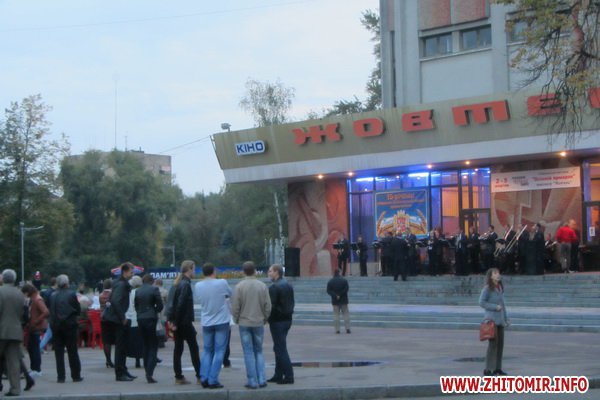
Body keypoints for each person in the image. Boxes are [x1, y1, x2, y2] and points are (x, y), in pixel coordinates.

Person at [231, 261, 271, 390]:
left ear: (243, 271)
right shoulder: (262, 286)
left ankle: (252, 380)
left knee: (248, 352)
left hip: (244, 322)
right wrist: (265, 318)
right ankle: (262, 379)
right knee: (258, 351)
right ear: (254, 271)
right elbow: (268, 305)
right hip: (258, 321)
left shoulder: (239, 286)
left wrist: (236, 318)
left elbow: (235, 306)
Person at [193, 262, 232, 389]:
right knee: (219, 350)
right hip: (221, 320)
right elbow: (230, 293)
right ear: (214, 271)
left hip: (207, 321)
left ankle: (204, 377)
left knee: (207, 350)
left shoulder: (198, 285)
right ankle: (213, 379)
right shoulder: (222, 282)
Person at [168, 260, 201, 385]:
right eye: (194, 269)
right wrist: (176, 323)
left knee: (178, 349)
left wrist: (172, 321)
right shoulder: (186, 285)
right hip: (184, 322)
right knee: (194, 348)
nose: (195, 271)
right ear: (189, 269)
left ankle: (178, 376)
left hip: (178, 321)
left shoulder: (177, 283)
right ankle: (199, 375)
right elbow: (181, 304)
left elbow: (172, 304)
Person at [102, 262, 136, 382]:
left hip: (115, 318)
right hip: (119, 319)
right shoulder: (121, 285)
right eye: (131, 272)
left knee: (122, 347)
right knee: (120, 347)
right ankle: (120, 373)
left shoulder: (118, 283)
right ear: (125, 272)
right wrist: (123, 317)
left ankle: (123, 370)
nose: (133, 274)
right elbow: (116, 301)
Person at [49, 274, 83, 383]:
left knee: (58, 352)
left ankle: (61, 376)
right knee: (72, 351)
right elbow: (77, 309)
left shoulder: (53, 295)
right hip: (69, 325)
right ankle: (76, 375)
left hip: (56, 325)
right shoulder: (71, 294)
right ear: (66, 283)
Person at [267, 264, 295, 385]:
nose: (268, 273)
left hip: (277, 321)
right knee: (278, 347)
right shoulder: (288, 285)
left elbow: (271, 306)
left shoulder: (274, 287)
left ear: (277, 272)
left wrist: (268, 318)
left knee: (280, 348)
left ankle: (289, 375)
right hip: (287, 319)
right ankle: (278, 374)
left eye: (270, 271)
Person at [478, 268, 510, 377]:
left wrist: (506, 318)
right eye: (495, 273)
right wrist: (494, 307)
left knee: (500, 344)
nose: (498, 275)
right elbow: (481, 302)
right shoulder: (487, 289)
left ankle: (497, 368)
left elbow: (503, 305)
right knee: (493, 345)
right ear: (490, 276)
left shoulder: (499, 287)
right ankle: (488, 369)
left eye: (498, 273)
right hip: (491, 320)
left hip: (500, 320)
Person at [0, 269, 26, 396]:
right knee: (13, 361)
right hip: (15, 330)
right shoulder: (19, 293)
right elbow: (23, 312)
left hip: (1, 330)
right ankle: (15, 388)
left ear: (3, 278)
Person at [135, 274, 163, 384]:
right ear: (152, 281)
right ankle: (149, 372)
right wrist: (154, 311)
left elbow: (136, 305)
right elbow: (160, 305)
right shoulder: (154, 289)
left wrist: (140, 313)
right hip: (151, 318)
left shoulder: (138, 291)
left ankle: (146, 368)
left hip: (140, 318)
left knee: (145, 344)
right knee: (153, 345)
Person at [21, 283, 49, 377]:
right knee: (31, 348)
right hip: (33, 327)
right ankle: (34, 368)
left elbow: (45, 312)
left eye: (25, 293)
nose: (25, 295)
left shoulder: (37, 299)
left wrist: (36, 320)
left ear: (28, 292)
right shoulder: (34, 299)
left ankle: (37, 369)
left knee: (35, 348)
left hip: (36, 327)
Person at [125, 275, 143, 369]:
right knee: (142, 340)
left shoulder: (130, 293)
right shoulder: (141, 292)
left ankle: (137, 359)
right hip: (140, 318)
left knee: (135, 341)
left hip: (132, 319)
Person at [326, 269, 350, 334]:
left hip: (335, 301)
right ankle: (347, 328)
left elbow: (328, 291)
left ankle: (337, 330)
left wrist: (335, 295)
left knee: (336, 315)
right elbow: (346, 289)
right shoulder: (344, 280)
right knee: (346, 314)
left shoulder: (330, 281)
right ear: (339, 273)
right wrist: (340, 294)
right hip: (343, 300)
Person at [99, 278, 114, 368]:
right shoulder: (112, 294)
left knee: (106, 341)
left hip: (103, 318)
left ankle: (108, 360)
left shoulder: (101, 295)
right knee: (115, 340)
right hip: (112, 318)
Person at [40, 277, 57, 353]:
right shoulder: (53, 293)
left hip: (49, 314)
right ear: (56, 283)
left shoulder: (47, 291)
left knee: (50, 332)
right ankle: (40, 347)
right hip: (52, 314)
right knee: (49, 333)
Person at [153, 278, 169, 348]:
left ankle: (156, 339)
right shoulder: (165, 291)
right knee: (163, 324)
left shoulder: (153, 290)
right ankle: (163, 339)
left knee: (156, 324)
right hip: (163, 309)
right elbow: (167, 301)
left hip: (155, 309)